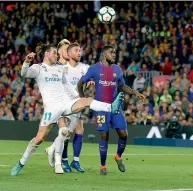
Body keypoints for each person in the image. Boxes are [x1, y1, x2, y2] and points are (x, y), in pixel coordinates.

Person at [10, 44, 124, 176]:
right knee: (39, 138)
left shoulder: (60, 68)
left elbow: (67, 84)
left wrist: (77, 98)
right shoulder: (38, 68)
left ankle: (111, 107)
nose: (56, 55)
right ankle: (21, 163)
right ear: (46, 54)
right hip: (51, 108)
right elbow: (24, 73)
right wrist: (26, 62)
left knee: (86, 101)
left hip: (65, 103)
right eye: (54, 53)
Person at [77, 45, 146, 175]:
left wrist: (135, 92)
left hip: (115, 107)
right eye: (111, 53)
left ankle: (118, 156)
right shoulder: (94, 69)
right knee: (104, 134)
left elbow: (122, 85)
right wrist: (82, 99)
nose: (114, 55)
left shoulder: (117, 69)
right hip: (101, 108)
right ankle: (103, 166)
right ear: (104, 54)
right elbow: (80, 83)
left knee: (124, 134)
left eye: (115, 52)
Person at [45, 40, 88, 173]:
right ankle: (62, 161)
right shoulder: (60, 68)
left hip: (77, 103)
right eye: (63, 50)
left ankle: (75, 160)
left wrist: (91, 80)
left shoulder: (83, 67)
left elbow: (89, 78)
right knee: (66, 132)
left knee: (78, 130)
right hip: (64, 104)